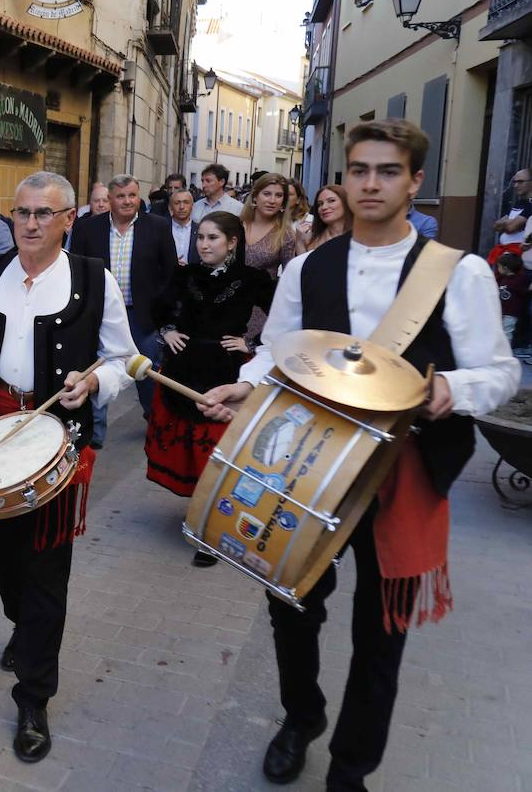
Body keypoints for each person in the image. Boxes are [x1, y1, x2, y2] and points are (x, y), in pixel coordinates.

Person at [198, 119, 519, 792]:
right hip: (311, 461)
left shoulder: (457, 272)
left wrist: (449, 388)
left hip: (403, 468)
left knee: (381, 629)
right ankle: (302, 716)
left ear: (416, 181)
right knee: (289, 599)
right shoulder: (307, 267)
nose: (371, 184)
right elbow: (278, 351)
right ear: (344, 179)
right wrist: (246, 385)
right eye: (360, 170)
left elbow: (500, 372)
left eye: (388, 171)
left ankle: (351, 768)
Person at [0, 171, 134, 764]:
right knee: (3, 555)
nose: (29, 223)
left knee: (46, 568)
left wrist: (94, 382)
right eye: (21, 212)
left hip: (57, 445)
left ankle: (34, 695)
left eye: (44, 213)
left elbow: (122, 358)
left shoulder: (93, 279)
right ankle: (23, 625)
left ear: (69, 219)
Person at [145, 211, 273, 565]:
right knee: (193, 452)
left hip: (226, 372)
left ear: (232, 242)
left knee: (219, 455)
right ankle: (203, 518)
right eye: (200, 237)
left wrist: (252, 342)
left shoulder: (252, 279)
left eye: (212, 238)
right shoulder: (186, 273)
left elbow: (285, 316)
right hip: (184, 369)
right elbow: (158, 305)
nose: (204, 244)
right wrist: (168, 331)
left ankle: (212, 532)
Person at [69, 174, 179, 421]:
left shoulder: (158, 226)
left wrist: (161, 315)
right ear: (110, 199)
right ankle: (95, 431)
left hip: (142, 318)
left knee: (147, 374)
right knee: (97, 373)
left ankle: (155, 421)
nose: (128, 201)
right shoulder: (87, 228)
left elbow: (169, 272)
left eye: (132, 195)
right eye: (121, 196)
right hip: (99, 316)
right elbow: (77, 271)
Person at [240, 173, 297, 279]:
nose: (272, 201)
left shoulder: (285, 234)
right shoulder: (237, 224)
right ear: (255, 197)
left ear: (283, 202)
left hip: (265, 288)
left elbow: (289, 275)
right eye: (266, 194)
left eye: (279, 195)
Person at [301, 184, 352, 252]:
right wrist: (300, 242)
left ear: (345, 203)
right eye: (320, 204)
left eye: (331, 201)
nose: (324, 207)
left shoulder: (360, 237)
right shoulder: (311, 239)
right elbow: (303, 258)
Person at [496, 252, 527, 348]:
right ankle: (499, 349)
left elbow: (523, 292)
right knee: (500, 331)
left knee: (507, 332)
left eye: (499, 267)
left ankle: (505, 351)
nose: (498, 269)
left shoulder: (518, 280)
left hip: (511, 312)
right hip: (502, 311)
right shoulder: (503, 279)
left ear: (505, 268)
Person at [167, 189, 199, 265]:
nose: (181, 207)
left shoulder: (200, 230)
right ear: (170, 207)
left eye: (186, 202)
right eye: (177, 203)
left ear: (192, 206)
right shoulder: (161, 229)